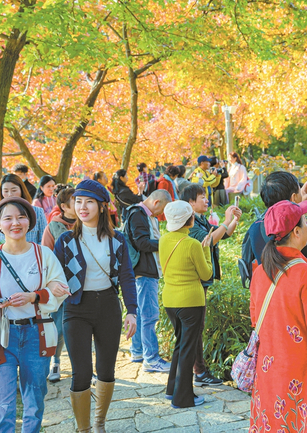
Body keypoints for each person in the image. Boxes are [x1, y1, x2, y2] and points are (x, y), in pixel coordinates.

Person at [249, 200, 307, 432]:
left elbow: (255, 321)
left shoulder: (260, 272)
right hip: (301, 375)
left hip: (268, 372)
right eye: (306, 221)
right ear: (297, 232)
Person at [53, 179, 137, 433]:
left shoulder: (117, 239)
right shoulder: (66, 240)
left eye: (89, 202)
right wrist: (54, 287)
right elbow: (54, 274)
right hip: (77, 308)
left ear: (101, 207)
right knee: (81, 372)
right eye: (78, 201)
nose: (82, 207)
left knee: (106, 370)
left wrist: (132, 311)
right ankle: (84, 429)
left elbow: (126, 276)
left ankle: (99, 423)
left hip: (108, 306)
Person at [0, 197, 69, 433]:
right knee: (2, 406)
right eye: (8, 218)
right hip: (1, 337)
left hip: (37, 333)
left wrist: (35, 296)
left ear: (29, 222)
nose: (15, 223)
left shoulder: (43, 254)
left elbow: (62, 290)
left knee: (34, 403)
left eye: (21, 217)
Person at [181, 184, 241, 387]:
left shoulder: (199, 220)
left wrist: (232, 221)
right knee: (196, 327)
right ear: (190, 202)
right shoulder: (189, 224)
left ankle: (199, 370)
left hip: (202, 279)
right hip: (195, 280)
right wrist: (225, 221)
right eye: (201, 197)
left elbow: (221, 234)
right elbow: (208, 241)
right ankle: (199, 371)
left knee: (198, 326)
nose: (206, 200)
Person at [159, 201, 214, 408]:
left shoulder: (164, 240)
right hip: (190, 300)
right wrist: (206, 250)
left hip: (170, 300)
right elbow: (206, 273)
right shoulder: (191, 244)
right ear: (189, 220)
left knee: (180, 344)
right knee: (188, 348)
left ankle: (172, 389)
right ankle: (183, 398)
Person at [126, 190, 172, 372]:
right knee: (149, 315)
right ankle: (151, 358)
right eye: (163, 209)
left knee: (138, 313)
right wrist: (167, 242)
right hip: (144, 270)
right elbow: (142, 243)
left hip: (143, 270)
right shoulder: (138, 214)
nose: (163, 214)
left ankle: (138, 351)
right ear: (156, 202)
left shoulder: (145, 214)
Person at [41, 186, 76, 384]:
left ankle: (82, 366)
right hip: (61, 287)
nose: (80, 204)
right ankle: (55, 362)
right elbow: (45, 258)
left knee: (80, 328)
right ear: (63, 206)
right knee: (59, 327)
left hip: (84, 286)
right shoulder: (52, 227)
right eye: (75, 200)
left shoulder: (85, 223)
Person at [0, 174, 47, 246]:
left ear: (21, 190)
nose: (10, 194)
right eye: (6, 191)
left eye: (14, 190)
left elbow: (44, 239)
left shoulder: (37, 212)